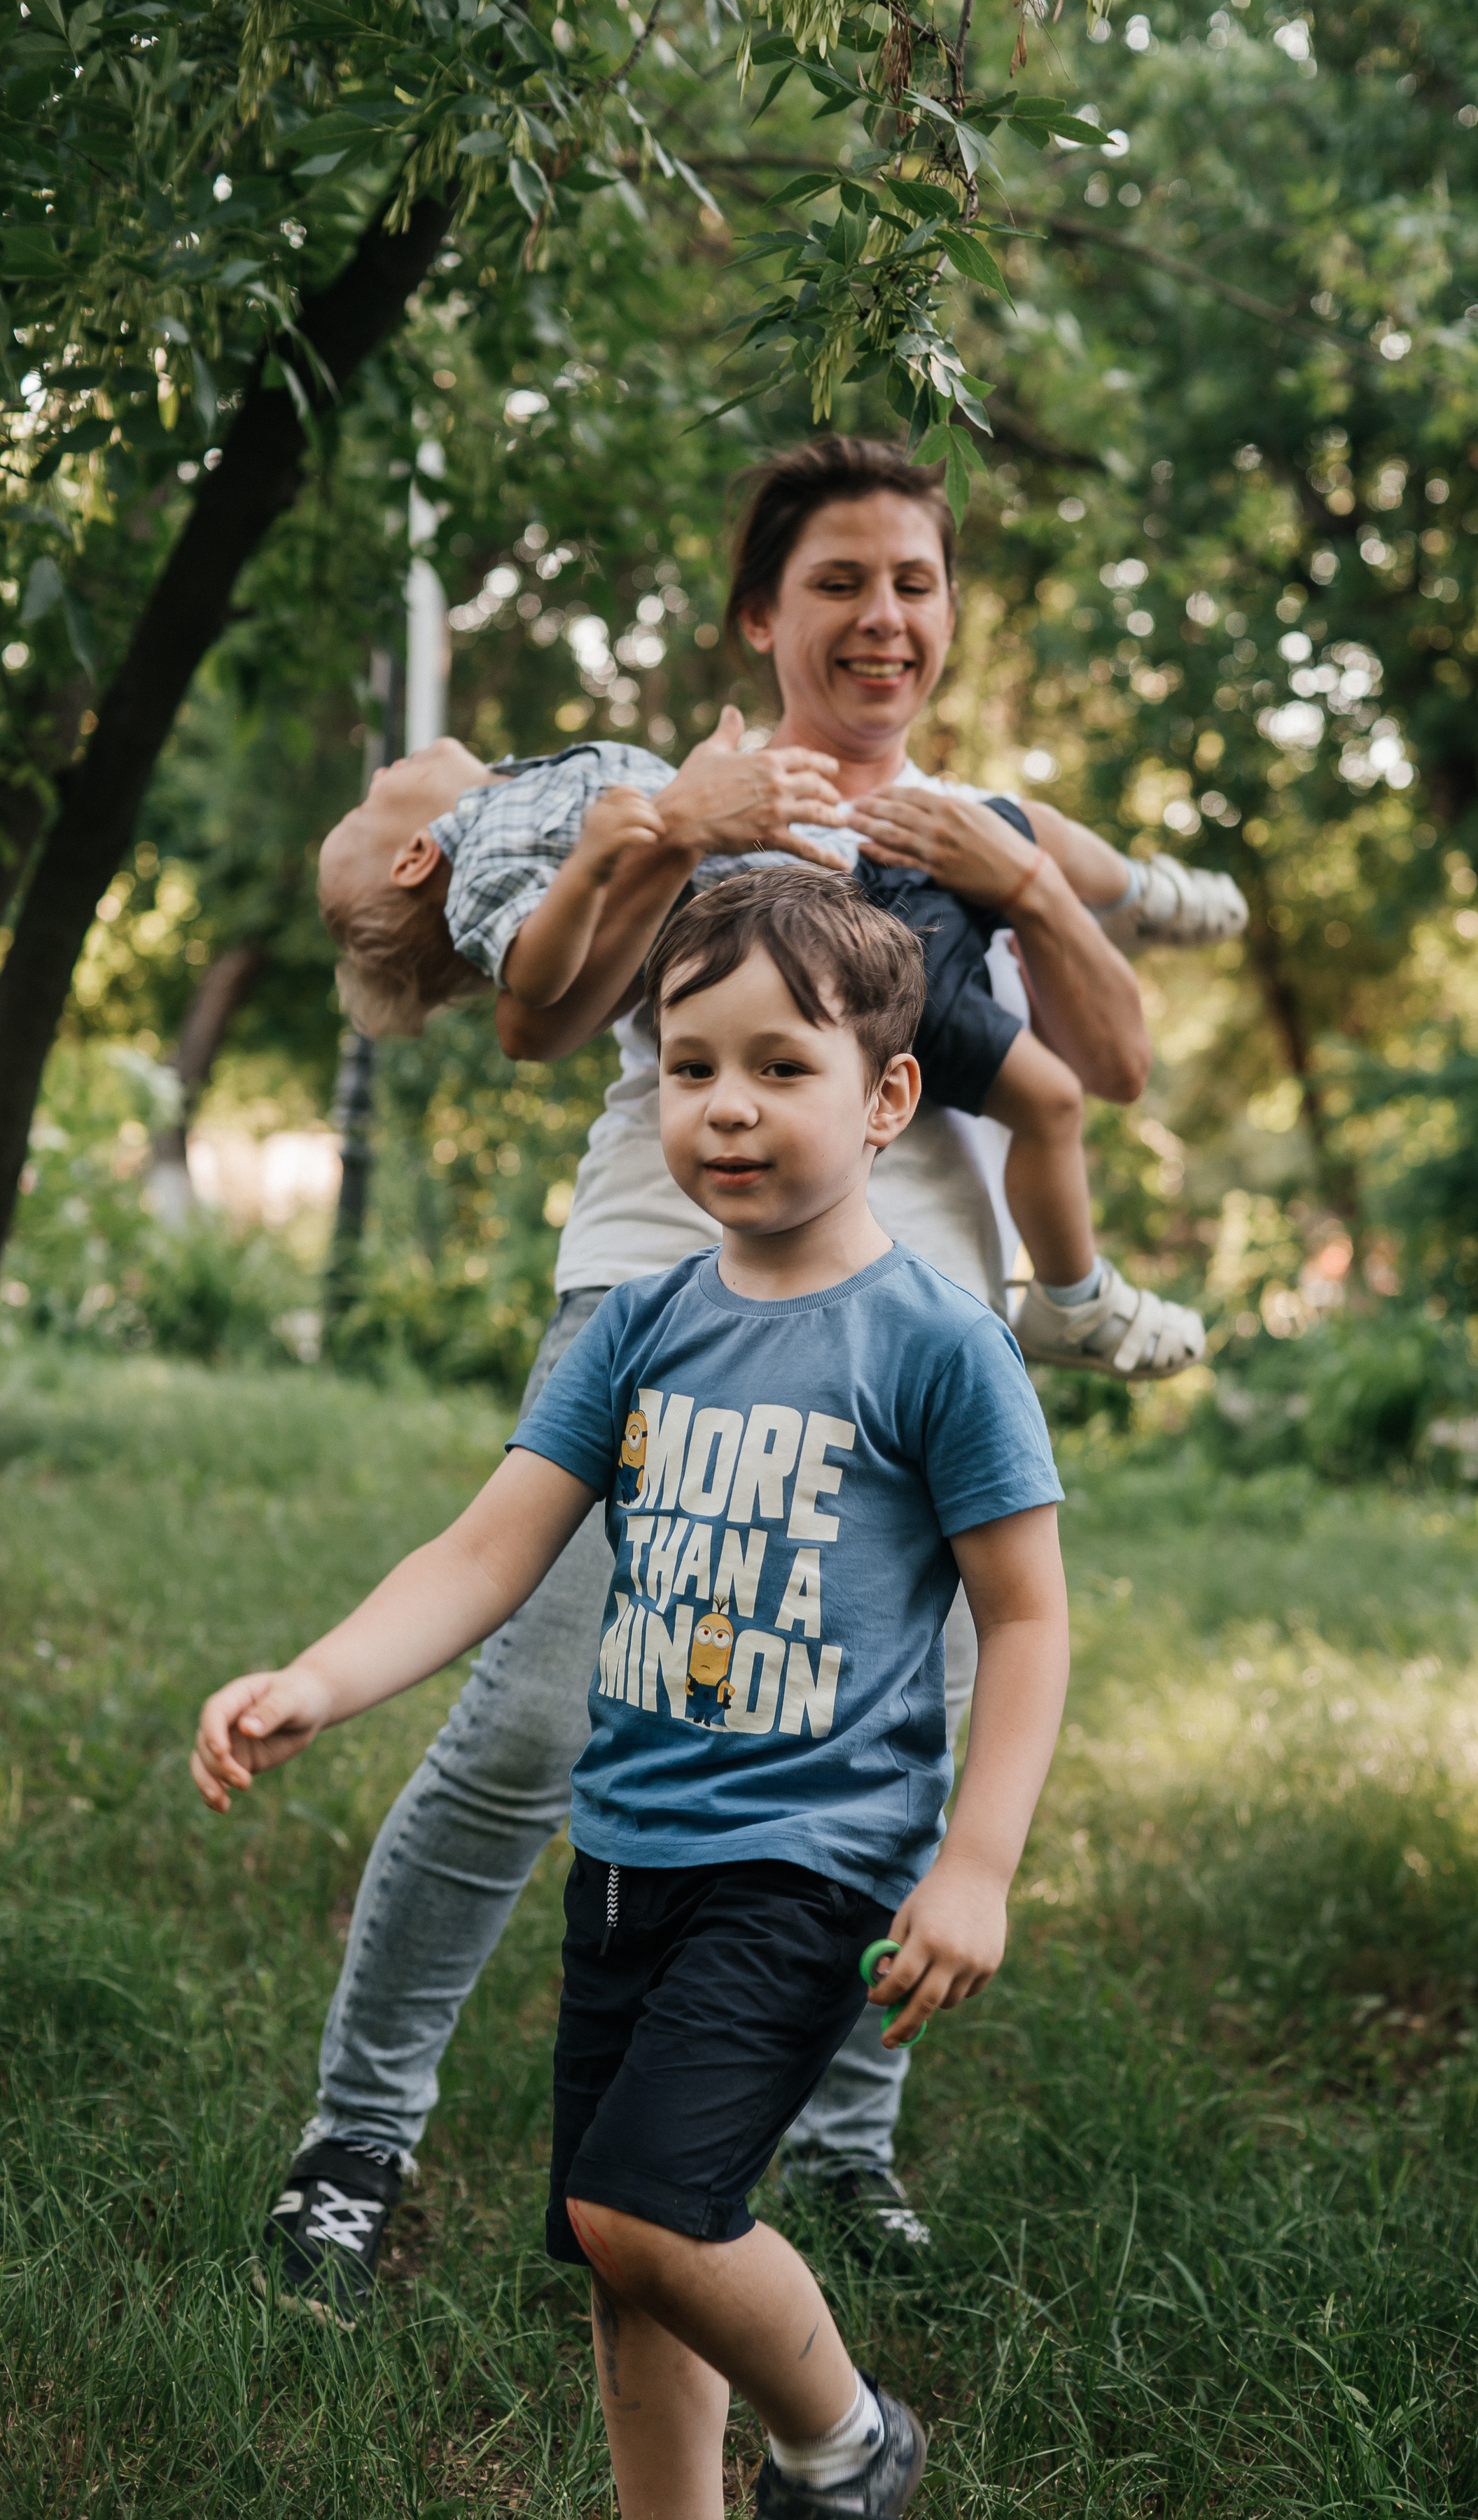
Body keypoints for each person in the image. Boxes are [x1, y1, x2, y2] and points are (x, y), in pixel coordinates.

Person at [255, 436, 1206, 2327]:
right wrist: (665, 829)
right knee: (531, 1730)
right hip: (660, 1301)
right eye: (841, 582)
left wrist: (1033, 882)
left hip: (915, 1339)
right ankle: (358, 2140)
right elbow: (530, 1019)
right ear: (763, 616)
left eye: (917, 582)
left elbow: (1121, 1068)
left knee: (880, 1768)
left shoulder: (982, 824)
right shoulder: (665, 790)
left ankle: (843, 2155)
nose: (885, 618)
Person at [195, 867, 1071, 2520]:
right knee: (631, 2253)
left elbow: (1025, 1621)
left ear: (887, 1096)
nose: (724, 1108)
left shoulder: (937, 1345)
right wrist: (319, 1677)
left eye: (777, 1067)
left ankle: (845, 2439)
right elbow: (485, 1552)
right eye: (687, 1067)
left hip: (808, 1861)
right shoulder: (643, 1329)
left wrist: (976, 1860)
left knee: (640, 2206)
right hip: (625, 1855)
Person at [318, 722, 1214, 1386]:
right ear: (413, 859)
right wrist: (607, 856)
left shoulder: (520, 785)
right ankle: (1073, 1296)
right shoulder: (486, 851)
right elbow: (533, 985)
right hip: (847, 939)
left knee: (1024, 827)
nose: (382, 769)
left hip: (853, 877)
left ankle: (1139, 895)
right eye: (363, 804)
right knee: (1050, 1098)